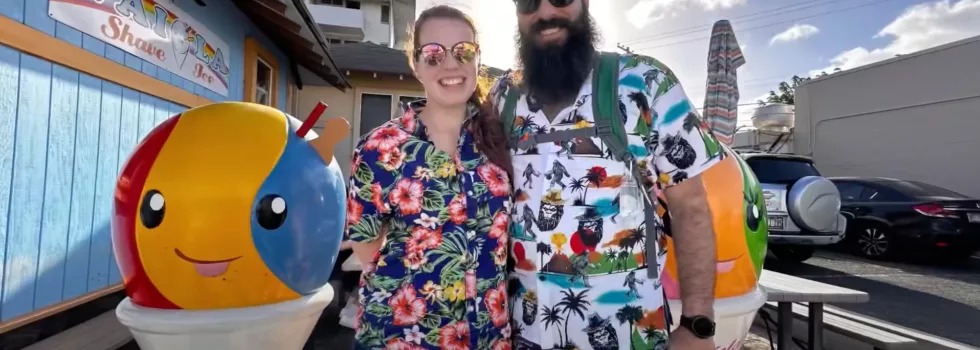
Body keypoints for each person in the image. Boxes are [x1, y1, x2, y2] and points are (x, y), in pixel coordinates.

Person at [490, 0, 722, 349]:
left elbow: (691, 207)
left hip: (632, 334)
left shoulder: (646, 83)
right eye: (528, 3)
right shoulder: (502, 97)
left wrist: (697, 324)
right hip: (522, 335)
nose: (545, 13)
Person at [344, 5, 513, 350]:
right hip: (401, 338)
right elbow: (366, 251)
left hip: (489, 337)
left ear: (477, 60)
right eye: (434, 54)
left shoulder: (498, 141)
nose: (450, 64)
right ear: (416, 65)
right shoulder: (379, 148)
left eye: (463, 51)